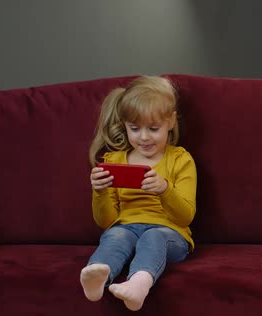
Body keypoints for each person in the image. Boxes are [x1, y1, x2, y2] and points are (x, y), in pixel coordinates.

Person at [80, 75, 197, 311]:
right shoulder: (113, 161)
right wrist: (100, 192)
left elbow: (185, 217)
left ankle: (139, 283)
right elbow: (106, 222)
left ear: (171, 121)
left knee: (153, 237)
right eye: (135, 128)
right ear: (125, 124)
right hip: (126, 227)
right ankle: (97, 281)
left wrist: (165, 189)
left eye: (153, 128)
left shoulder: (180, 159)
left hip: (170, 233)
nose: (143, 137)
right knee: (115, 236)